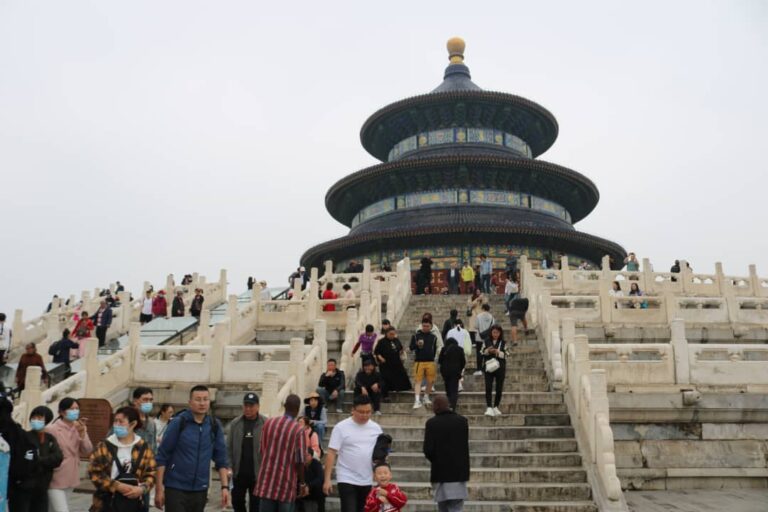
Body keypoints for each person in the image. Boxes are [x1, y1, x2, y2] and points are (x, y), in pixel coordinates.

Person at [155, 385, 229, 512]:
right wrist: (159, 489)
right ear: (190, 403)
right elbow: (162, 456)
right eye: (198, 399)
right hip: (176, 487)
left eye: (205, 399)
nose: (202, 403)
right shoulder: (179, 423)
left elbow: (221, 458)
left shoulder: (214, 425)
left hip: (200, 488)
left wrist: (224, 487)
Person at [87, 406, 157, 512]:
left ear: (133, 424)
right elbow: (94, 473)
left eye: (121, 421)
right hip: (107, 502)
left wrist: (141, 489)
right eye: (115, 421)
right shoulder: (104, 445)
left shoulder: (143, 447)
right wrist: (116, 486)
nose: (117, 425)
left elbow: (151, 473)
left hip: (134, 503)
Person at [323, 395, 382, 512]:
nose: (365, 415)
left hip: (367, 478)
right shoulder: (341, 427)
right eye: (361, 412)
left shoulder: (376, 428)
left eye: (368, 412)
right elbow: (331, 453)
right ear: (353, 410)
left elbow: (380, 453)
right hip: (346, 477)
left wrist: (379, 474)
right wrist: (327, 479)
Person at [255, 394, 307, 511]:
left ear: (284, 406)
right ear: (298, 410)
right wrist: (302, 483)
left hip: (266, 483)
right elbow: (300, 461)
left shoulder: (268, 423)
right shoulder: (298, 430)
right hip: (286, 486)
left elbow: (262, 451)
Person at [8, 406, 63, 512]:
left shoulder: (50, 438)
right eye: (34, 417)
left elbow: (58, 457)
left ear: (46, 420)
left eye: (39, 418)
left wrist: (39, 460)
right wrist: (41, 460)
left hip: (42, 487)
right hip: (24, 487)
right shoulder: (24, 437)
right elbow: (23, 459)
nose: (36, 420)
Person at [46, 397, 94, 512]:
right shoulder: (51, 429)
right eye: (71, 409)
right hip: (55, 477)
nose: (75, 411)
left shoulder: (79, 427)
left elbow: (87, 450)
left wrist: (82, 433)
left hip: (71, 475)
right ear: (61, 412)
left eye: (77, 408)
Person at [423, 395, 470, 512]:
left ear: (435, 407)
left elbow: (428, 449)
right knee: (456, 507)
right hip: (459, 472)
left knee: (442, 507)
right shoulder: (462, 421)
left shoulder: (432, 423)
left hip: (440, 472)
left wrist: (437, 460)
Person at [226, 392, 265, 512]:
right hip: (239, 473)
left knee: (256, 505)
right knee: (237, 502)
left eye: (251, 406)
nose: (248, 409)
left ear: (258, 406)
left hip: (257, 474)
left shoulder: (266, 423)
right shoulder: (235, 424)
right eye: (246, 405)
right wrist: (229, 466)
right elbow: (229, 447)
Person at [373, 327, 412, 402]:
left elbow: (400, 348)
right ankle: (385, 395)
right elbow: (377, 352)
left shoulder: (396, 340)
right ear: (386, 333)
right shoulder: (381, 341)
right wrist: (381, 358)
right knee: (386, 378)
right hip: (386, 363)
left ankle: (400, 388)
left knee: (401, 374)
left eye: (393, 334)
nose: (392, 335)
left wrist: (401, 353)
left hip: (396, 361)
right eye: (390, 334)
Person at [410, 318, 438, 409]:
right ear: (421, 325)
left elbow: (434, 350)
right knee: (418, 381)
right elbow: (411, 347)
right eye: (424, 326)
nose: (425, 328)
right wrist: (417, 345)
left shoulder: (434, 337)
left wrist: (432, 358)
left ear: (431, 326)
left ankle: (426, 396)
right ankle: (417, 400)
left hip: (430, 361)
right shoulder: (416, 336)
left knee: (431, 381)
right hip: (419, 361)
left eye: (427, 326)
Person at [483, 325, 509, 417]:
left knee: (499, 388)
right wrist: (488, 351)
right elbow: (481, 352)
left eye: (497, 332)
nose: (495, 334)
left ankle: (496, 406)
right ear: (491, 332)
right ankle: (489, 407)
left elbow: (507, 354)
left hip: (500, 368)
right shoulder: (486, 341)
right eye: (494, 332)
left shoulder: (503, 342)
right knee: (488, 387)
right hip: (488, 367)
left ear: (500, 333)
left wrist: (498, 352)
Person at [438, 337, 466, 411]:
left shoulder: (444, 349)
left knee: (448, 389)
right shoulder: (460, 349)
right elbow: (463, 362)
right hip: (455, 372)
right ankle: (452, 406)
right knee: (454, 390)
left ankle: (448, 403)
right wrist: (459, 369)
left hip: (445, 372)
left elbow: (440, 360)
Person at [296, 447, 324, 512]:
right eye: (303, 455)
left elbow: (320, 478)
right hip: (302, 490)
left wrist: (308, 486)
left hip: (314, 490)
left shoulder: (316, 464)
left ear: (311, 457)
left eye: (307, 455)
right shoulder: (299, 465)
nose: (305, 457)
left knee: (319, 488)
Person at [466, 290, 487, 376]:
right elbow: (470, 305)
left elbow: (486, 305)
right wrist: (477, 299)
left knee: (479, 329)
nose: (478, 293)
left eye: (479, 292)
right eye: (477, 292)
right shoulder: (471, 298)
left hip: (481, 315)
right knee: (472, 328)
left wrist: (482, 299)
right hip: (473, 315)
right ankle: (473, 341)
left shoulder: (484, 298)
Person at [132, 387, 157, 456]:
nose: (148, 403)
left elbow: (154, 446)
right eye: (145, 399)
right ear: (135, 401)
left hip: (147, 463)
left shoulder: (152, 423)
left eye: (150, 400)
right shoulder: (126, 419)